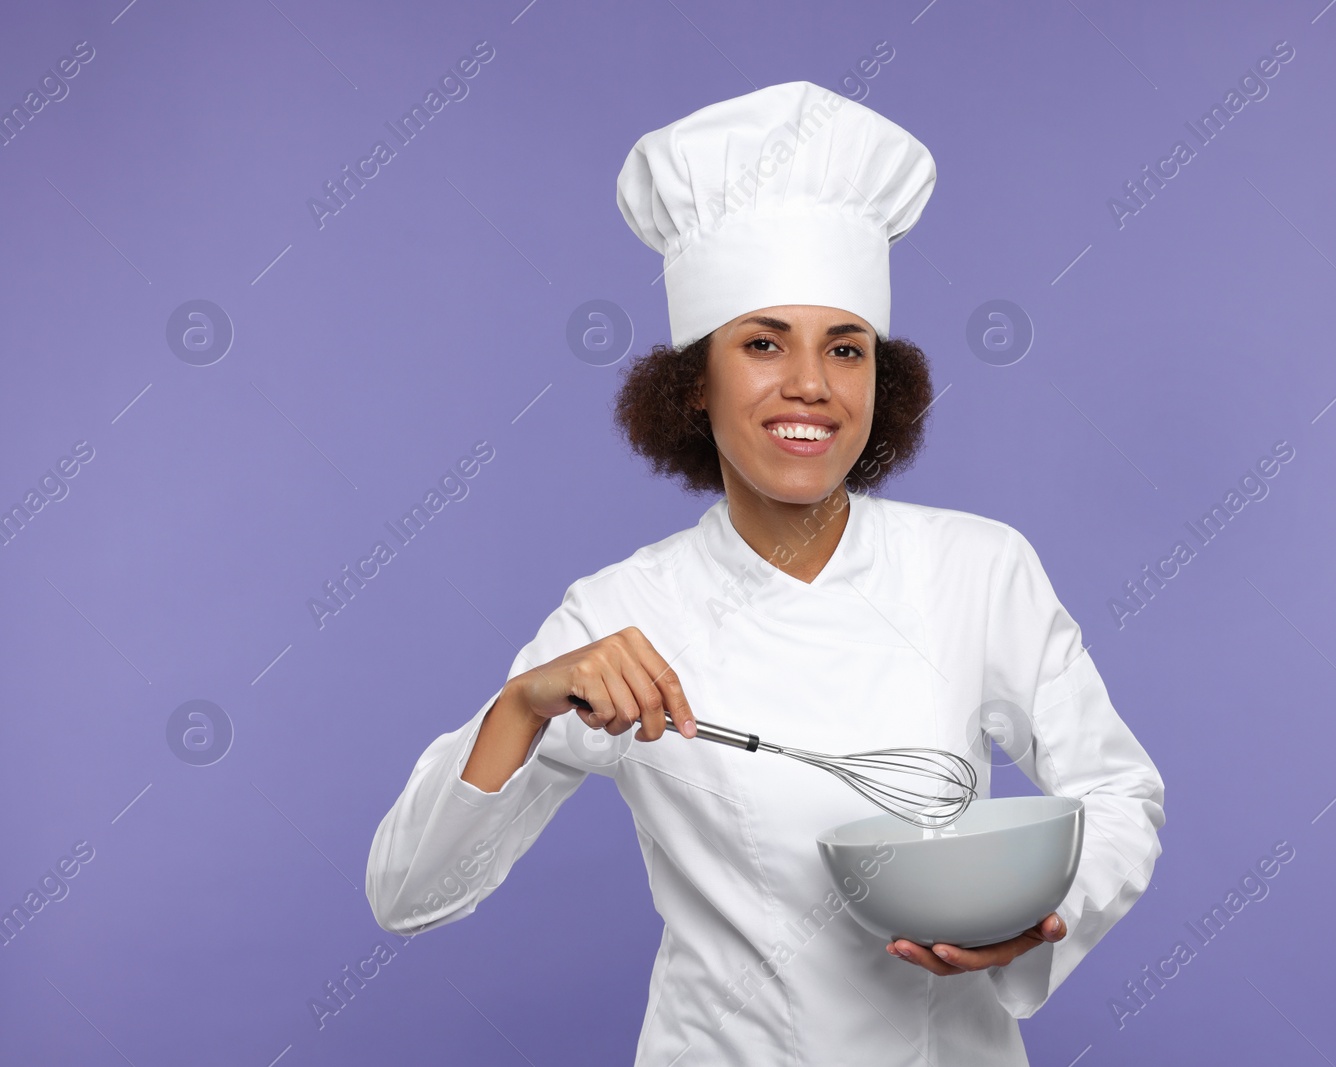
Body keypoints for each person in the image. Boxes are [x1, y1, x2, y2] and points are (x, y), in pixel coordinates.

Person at [366, 80, 1165, 1066]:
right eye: (761, 343)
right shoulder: (621, 613)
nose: (810, 385)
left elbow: (1118, 794)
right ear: (695, 384)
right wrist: (523, 705)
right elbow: (407, 895)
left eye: (845, 348)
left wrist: (1036, 923)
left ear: (884, 379)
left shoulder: (978, 567)